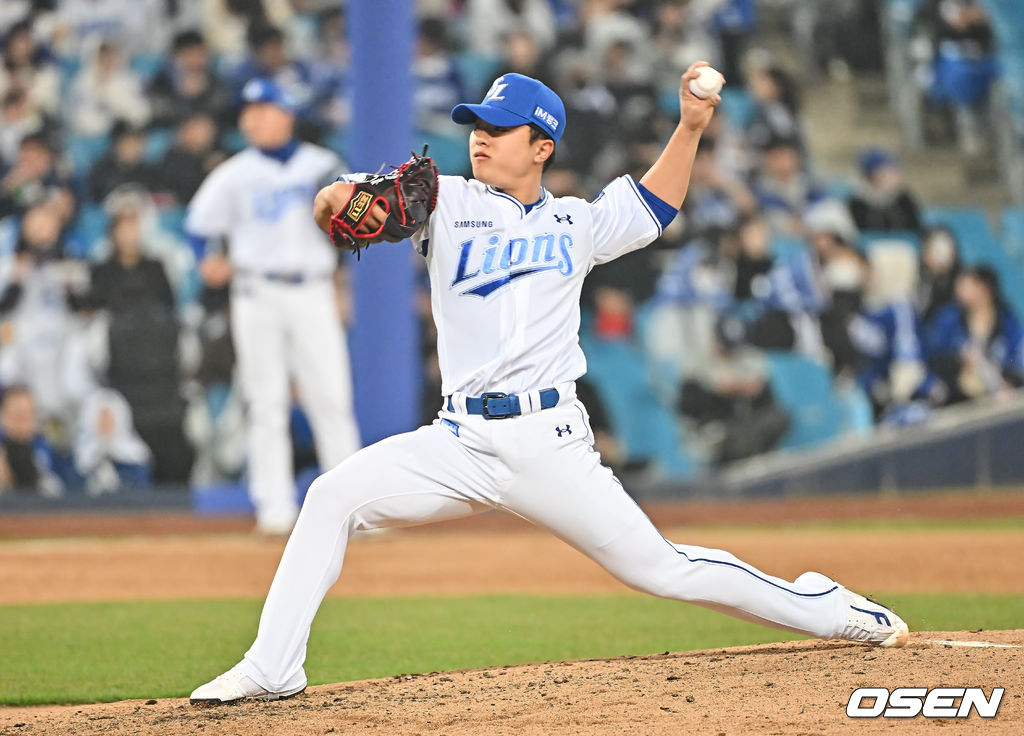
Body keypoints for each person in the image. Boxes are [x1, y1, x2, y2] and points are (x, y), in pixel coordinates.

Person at [189, 65, 908, 705]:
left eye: (500, 128)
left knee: (663, 570)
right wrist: (339, 199)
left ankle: (826, 607)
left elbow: (656, 204)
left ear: (542, 147)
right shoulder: (445, 201)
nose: (481, 136)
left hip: (549, 443)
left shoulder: (576, 221)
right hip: (459, 440)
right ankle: (273, 666)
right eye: (477, 124)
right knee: (330, 497)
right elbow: (336, 204)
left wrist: (690, 126)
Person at [185, 77, 360, 534]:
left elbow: (351, 229)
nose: (252, 119)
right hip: (256, 292)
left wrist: (342, 286)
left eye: (262, 110)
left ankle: (351, 509)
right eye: (248, 112)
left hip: (313, 289)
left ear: (286, 114)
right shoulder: (233, 174)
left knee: (332, 398)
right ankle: (274, 509)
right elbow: (198, 226)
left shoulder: (324, 165)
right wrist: (207, 260)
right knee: (265, 402)